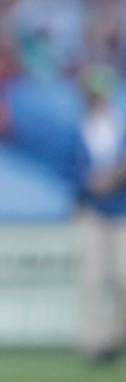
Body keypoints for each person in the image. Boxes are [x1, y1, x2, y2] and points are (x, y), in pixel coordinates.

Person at [74, 64, 126, 364]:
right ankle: (93, 343)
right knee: (92, 279)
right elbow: (69, 171)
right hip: (92, 211)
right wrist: (91, 182)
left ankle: (114, 336)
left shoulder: (119, 127)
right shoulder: (76, 128)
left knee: (123, 278)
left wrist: (115, 176)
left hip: (121, 210)